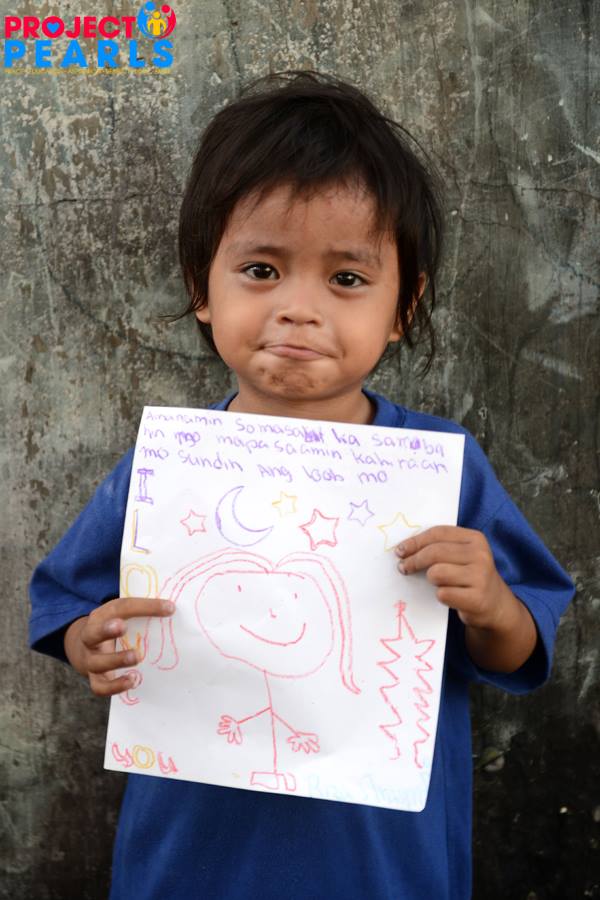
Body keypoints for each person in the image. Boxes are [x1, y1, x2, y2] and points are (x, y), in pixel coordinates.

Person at [29, 69, 575, 899]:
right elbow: (68, 605)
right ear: (201, 286)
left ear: (403, 306)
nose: (299, 308)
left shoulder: (439, 467)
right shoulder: (170, 466)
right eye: (261, 269)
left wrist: (493, 605)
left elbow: (520, 649)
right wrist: (88, 643)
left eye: (346, 279)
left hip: (380, 860)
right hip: (193, 853)